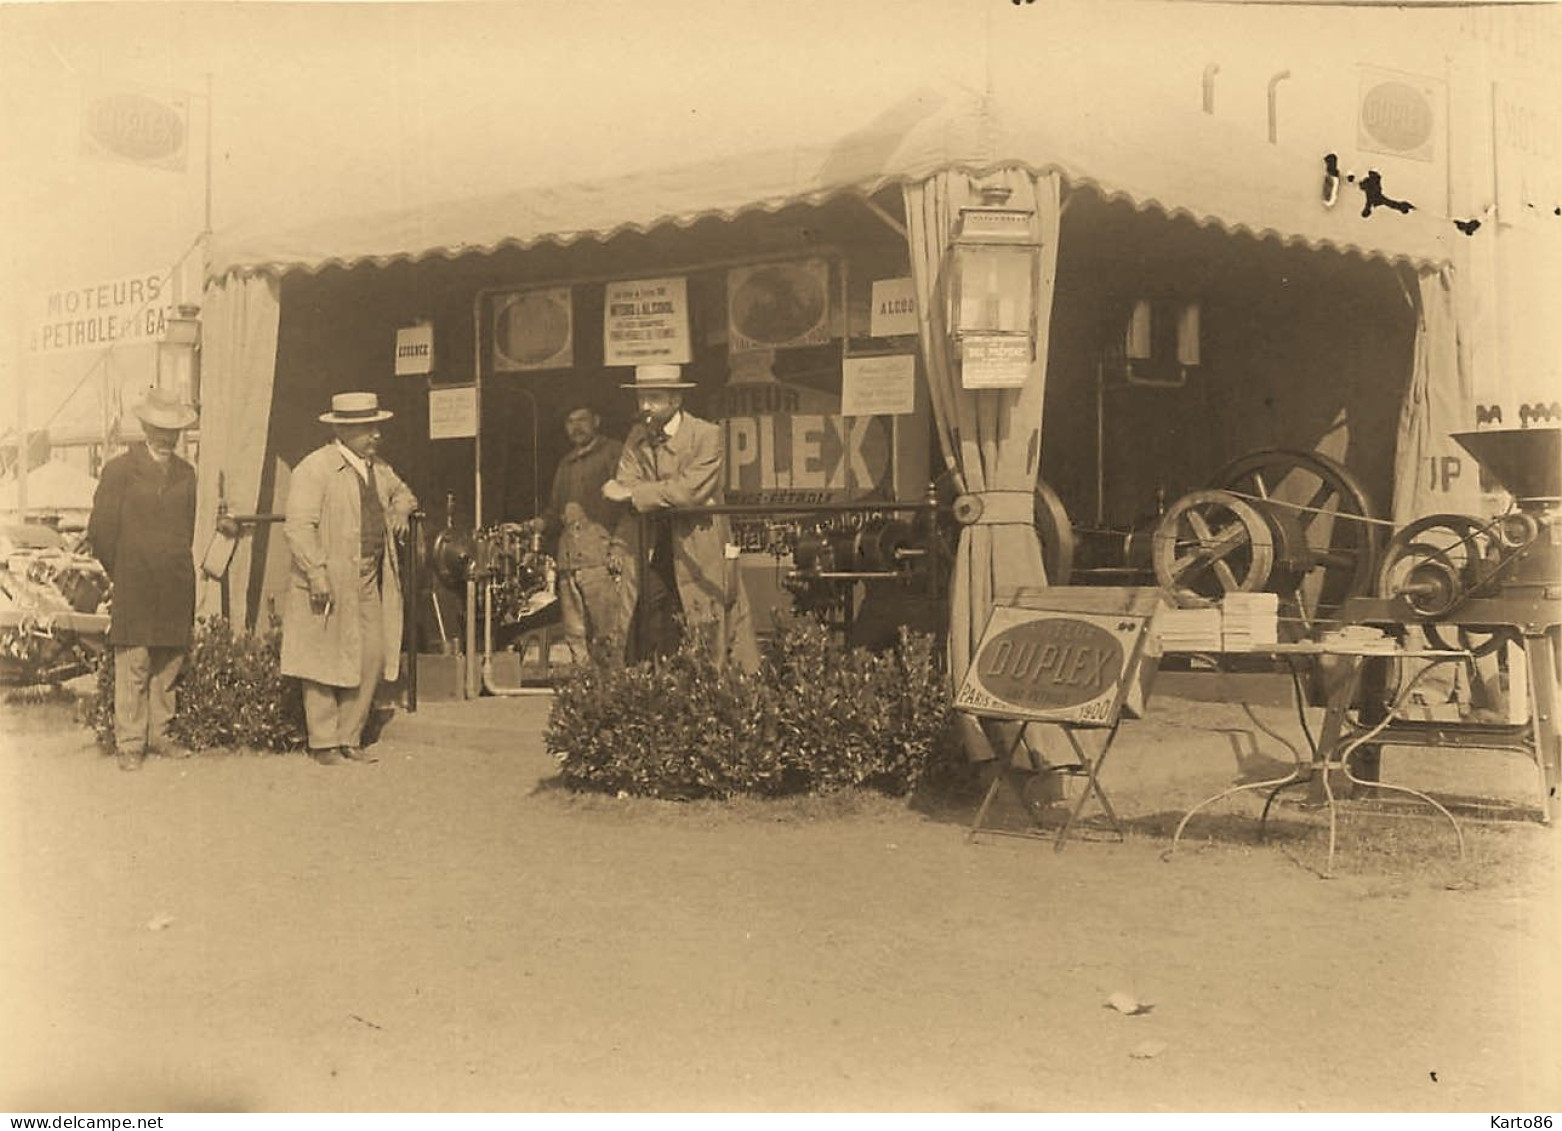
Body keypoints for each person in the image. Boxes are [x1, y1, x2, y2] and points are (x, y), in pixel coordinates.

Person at [280, 392, 418, 765]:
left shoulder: (377, 469)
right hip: (328, 576)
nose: (375, 435)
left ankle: (349, 736)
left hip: (369, 577)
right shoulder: (315, 468)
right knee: (322, 657)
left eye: (376, 427)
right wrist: (316, 571)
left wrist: (400, 509)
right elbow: (298, 526)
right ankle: (323, 742)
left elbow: (404, 492)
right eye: (365, 428)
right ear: (342, 430)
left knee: (373, 653)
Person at [602, 364, 759, 671]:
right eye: (641, 398)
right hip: (651, 546)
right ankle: (660, 691)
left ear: (676, 400)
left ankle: (714, 690)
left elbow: (689, 492)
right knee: (648, 619)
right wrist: (654, 493)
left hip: (697, 547)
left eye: (654, 397)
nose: (645, 406)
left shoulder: (706, 436)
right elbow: (622, 481)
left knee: (708, 616)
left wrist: (637, 495)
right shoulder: (636, 437)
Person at [87, 387, 199, 771]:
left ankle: (161, 735)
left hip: (174, 581)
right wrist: (122, 568)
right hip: (134, 580)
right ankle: (131, 743)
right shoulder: (120, 471)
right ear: (145, 427)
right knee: (134, 661)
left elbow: (188, 527)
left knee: (168, 659)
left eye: (174, 431)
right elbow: (100, 531)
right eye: (159, 430)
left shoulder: (187, 474)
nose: (167, 438)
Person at [529, 404, 630, 663]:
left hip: (600, 560)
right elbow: (555, 511)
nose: (576, 427)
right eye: (570, 421)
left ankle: (611, 693)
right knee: (575, 635)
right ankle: (586, 693)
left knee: (608, 633)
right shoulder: (566, 463)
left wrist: (618, 547)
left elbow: (629, 507)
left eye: (582, 419)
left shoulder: (614, 453)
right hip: (569, 562)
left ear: (596, 419)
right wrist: (534, 525)